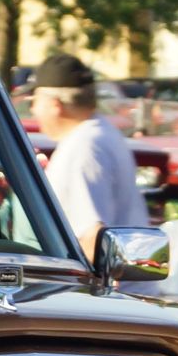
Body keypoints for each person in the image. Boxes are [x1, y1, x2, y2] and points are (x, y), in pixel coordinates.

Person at [29, 52, 146, 260]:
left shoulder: (83, 149)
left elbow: (92, 240)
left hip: (100, 280)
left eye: (35, 101)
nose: (32, 110)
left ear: (55, 105)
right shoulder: (100, 134)